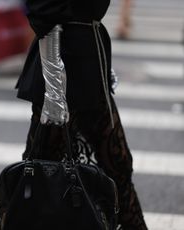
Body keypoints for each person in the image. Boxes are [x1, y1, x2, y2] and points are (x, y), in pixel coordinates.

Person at [16, 0, 148, 229]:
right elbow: (44, 9)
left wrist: (103, 67)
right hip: (64, 66)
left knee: (118, 165)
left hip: (88, 60)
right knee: (42, 171)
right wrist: (55, 89)